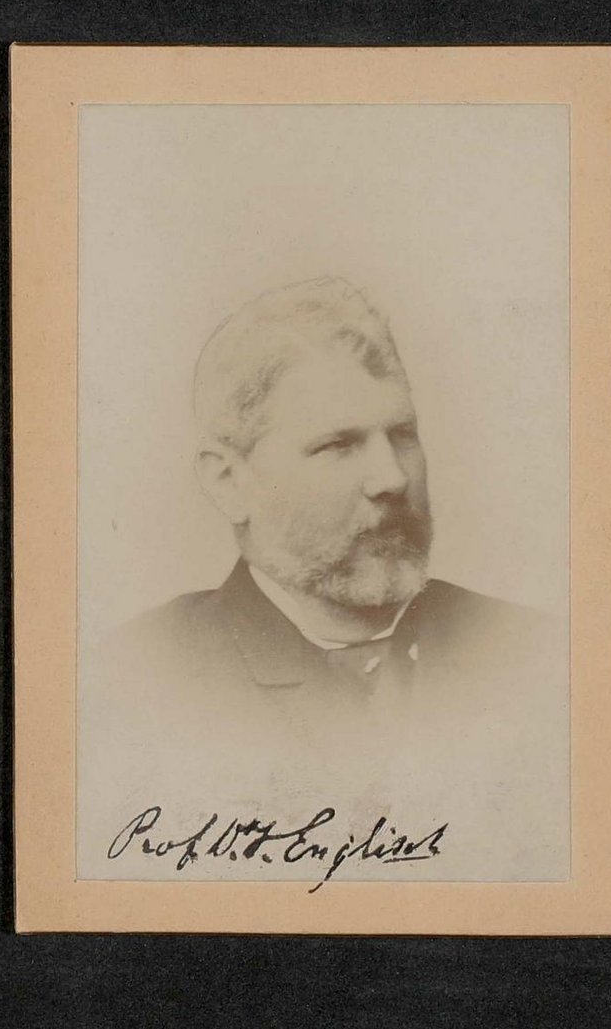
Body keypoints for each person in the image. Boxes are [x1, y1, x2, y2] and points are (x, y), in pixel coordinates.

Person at [78, 277, 569, 882]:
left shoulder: (542, 658)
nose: (391, 478)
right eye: (337, 445)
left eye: (403, 436)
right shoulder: (134, 685)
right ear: (229, 481)